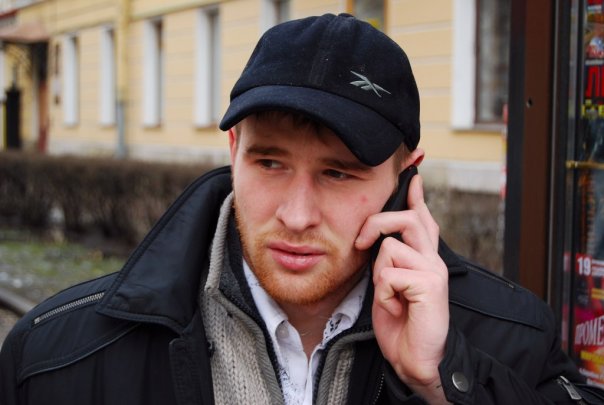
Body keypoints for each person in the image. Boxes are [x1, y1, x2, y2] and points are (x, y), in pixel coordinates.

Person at [1, 13, 603, 405]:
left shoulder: (511, 340)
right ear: (233, 151)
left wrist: (446, 379)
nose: (295, 215)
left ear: (406, 176)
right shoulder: (57, 358)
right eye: (269, 163)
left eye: (338, 173)